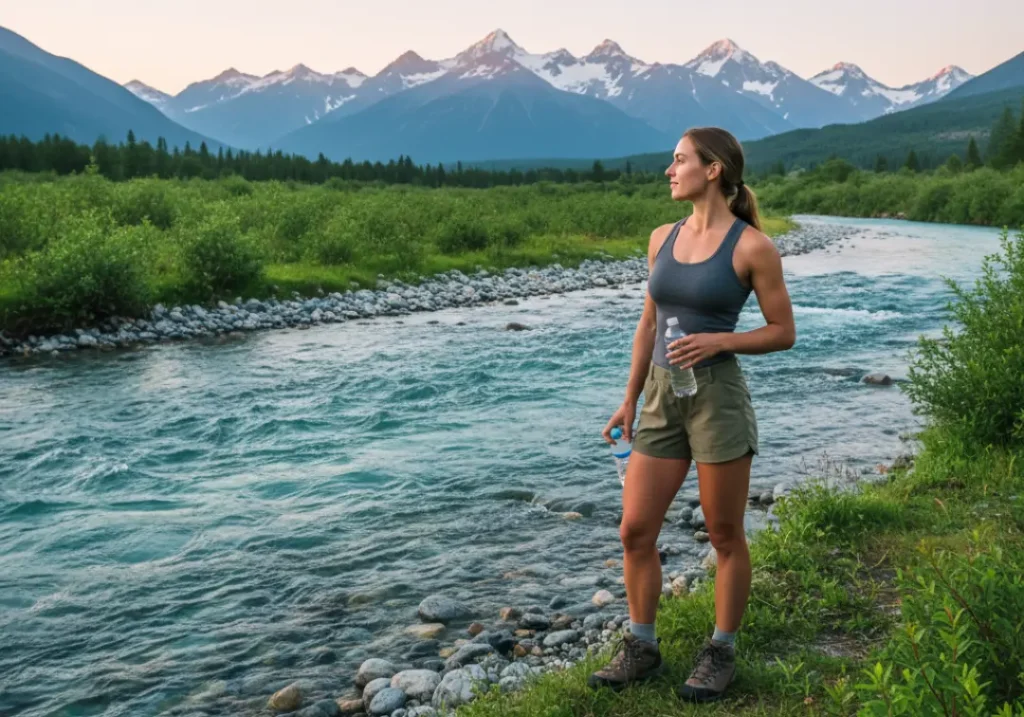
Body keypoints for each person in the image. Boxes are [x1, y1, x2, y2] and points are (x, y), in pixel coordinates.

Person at [590, 127, 796, 702]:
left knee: (725, 532)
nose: (668, 170)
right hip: (659, 396)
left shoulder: (753, 247)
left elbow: (784, 333)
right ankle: (642, 646)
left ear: (712, 170)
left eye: (678, 160)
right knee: (635, 530)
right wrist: (630, 399)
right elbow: (648, 324)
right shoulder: (662, 238)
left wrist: (720, 342)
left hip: (716, 400)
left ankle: (721, 650)